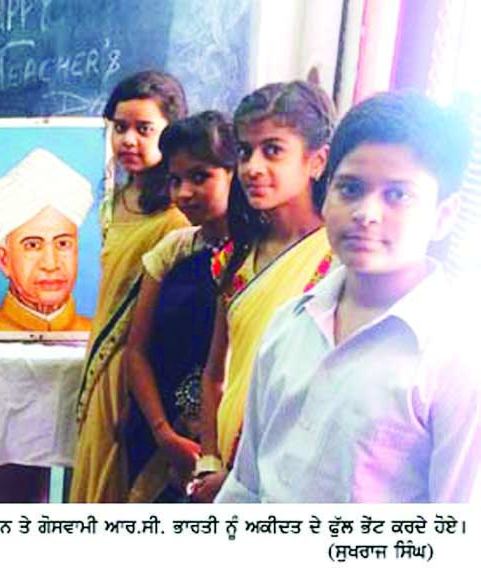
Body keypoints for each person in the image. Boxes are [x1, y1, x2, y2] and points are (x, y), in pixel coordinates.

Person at [217, 92, 481, 502]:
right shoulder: (290, 323)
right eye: (350, 188)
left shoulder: (458, 356)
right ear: (326, 194)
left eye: (398, 195)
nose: (366, 213)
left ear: (443, 215)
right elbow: (246, 486)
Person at [191, 81, 337, 501]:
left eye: (273, 150)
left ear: (316, 161)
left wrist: (239, 478)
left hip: (283, 473)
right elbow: (215, 374)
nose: (252, 167)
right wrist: (209, 461)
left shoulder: (336, 261)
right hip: (221, 466)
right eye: (245, 151)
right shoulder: (234, 257)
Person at [70, 70, 191, 502]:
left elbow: (170, 321)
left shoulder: (177, 218)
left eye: (144, 129)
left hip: (138, 368)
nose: (128, 140)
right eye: (120, 127)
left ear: (170, 134)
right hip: (101, 359)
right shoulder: (114, 201)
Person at [122, 111, 235, 502]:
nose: (184, 193)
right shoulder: (173, 251)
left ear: (235, 173)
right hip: (161, 437)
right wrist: (164, 434)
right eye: (175, 180)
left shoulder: (260, 258)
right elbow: (136, 352)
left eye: (200, 177)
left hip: (231, 443)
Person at [0, 148, 94, 332]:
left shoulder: (96, 335)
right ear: (4, 260)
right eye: (33, 245)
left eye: (63, 244)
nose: (50, 265)